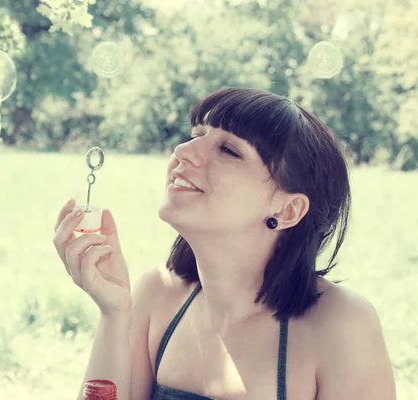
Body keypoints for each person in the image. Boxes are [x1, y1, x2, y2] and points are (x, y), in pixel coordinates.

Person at [52, 87, 396, 400]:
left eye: (228, 150)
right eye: (195, 135)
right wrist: (114, 314)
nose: (182, 151)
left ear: (288, 209)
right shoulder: (156, 295)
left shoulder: (341, 325)